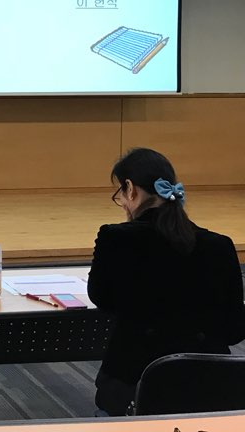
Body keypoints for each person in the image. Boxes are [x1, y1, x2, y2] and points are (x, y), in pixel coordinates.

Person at [88, 147, 245, 415]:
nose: (122, 203)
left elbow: (101, 298)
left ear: (131, 189)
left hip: (136, 386)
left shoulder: (116, 239)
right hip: (211, 388)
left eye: (120, 194)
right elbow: (234, 330)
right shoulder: (220, 246)